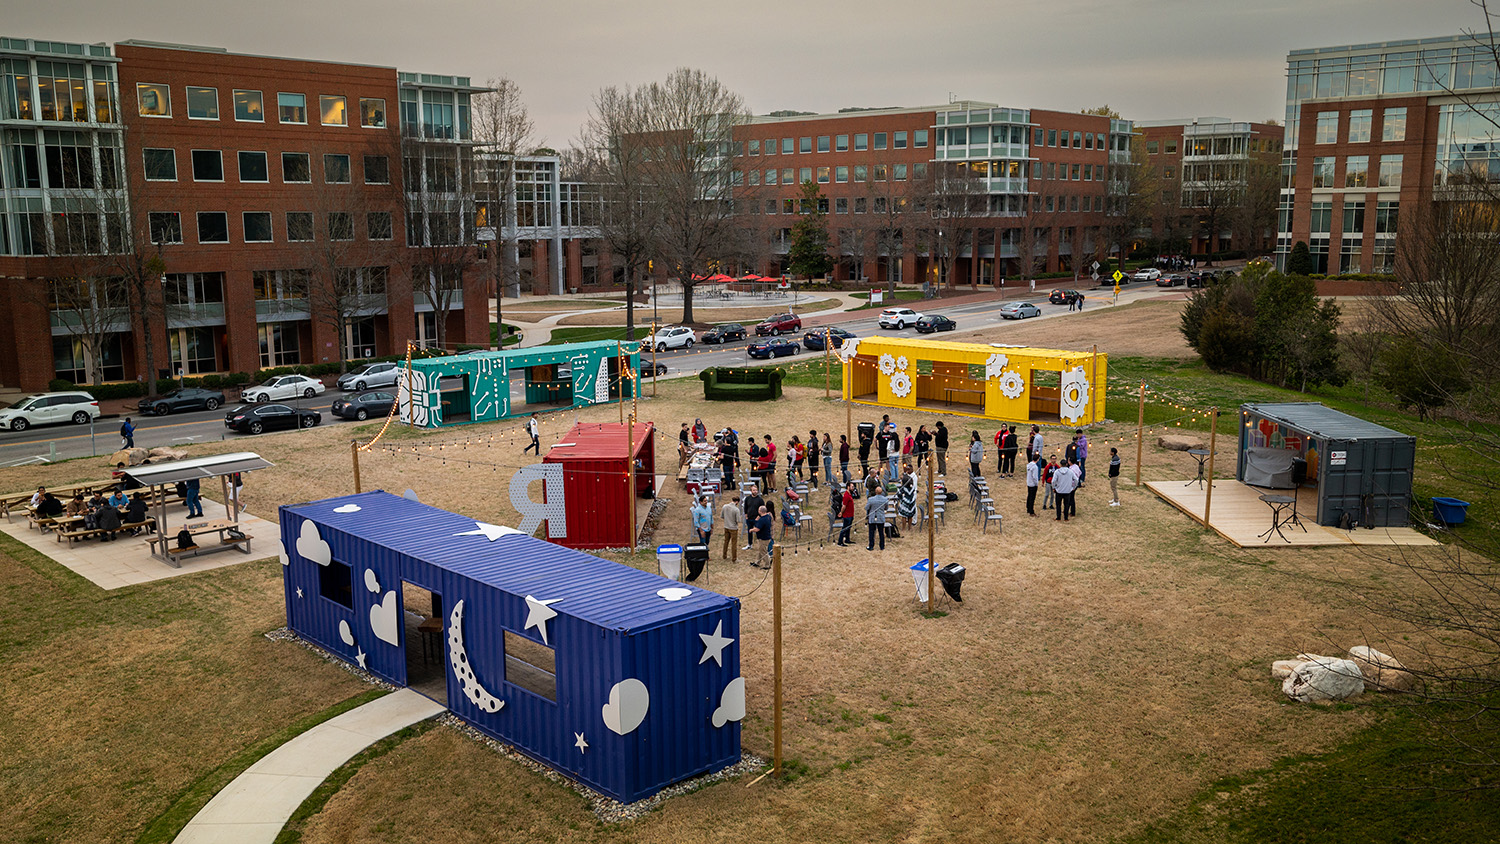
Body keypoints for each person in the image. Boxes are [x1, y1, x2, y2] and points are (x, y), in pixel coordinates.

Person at [1052, 457, 1079, 521]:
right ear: (1066, 464)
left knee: (1058, 505)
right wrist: (1074, 487)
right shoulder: (1070, 472)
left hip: (1059, 490)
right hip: (1067, 491)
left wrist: (1054, 487)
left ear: (1060, 464)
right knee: (1066, 505)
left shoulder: (1057, 472)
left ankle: (1058, 517)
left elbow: (1053, 481)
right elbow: (1076, 479)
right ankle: (1066, 518)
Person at [865, 485, 889, 551]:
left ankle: (871, 546)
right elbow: (886, 508)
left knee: (871, 532)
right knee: (881, 532)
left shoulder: (871, 499)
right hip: (881, 518)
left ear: (875, 492)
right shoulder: (885, 499)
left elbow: (866, 508)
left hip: (872, 518)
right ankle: (882, 546)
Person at [720, 494, 743, 562]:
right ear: (737, 502)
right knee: (734, 543)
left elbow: (722, 516)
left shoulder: (725, 506)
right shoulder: (736, 509)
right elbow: (738, 520)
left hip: (726, 526)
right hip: (733, 528)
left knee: (726, 541)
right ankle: (734, 558)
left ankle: (724, 555)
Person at [742, 486, 764, 550]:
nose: (755, 491)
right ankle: (749, 544)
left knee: (758, 532)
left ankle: (760, 545)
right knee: (749, 531)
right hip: (749, 518)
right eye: (754, 490)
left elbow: (763, 508)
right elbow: (745, 507)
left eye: (756, 490)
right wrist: (746, 515)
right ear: (751, 491)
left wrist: (759, 517)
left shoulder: (760, 499)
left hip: (756, 519)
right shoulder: (748, 498)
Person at [753, 505, 774, 569]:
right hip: (767, 536)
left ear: (760, 511)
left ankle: (767, 565)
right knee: (761, 550)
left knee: (763, 551)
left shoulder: (762, 519)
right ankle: (757, 562)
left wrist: (751, 530)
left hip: (763, 538)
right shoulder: (768, 517)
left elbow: (757, 529)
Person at [897, 463, 918, 529]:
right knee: (910, 515)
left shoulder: (914, 477)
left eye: (908, 470)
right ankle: (909, 527)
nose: (907, 471)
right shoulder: (911, 487)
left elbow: (899, 494)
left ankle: (905, 527)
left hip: (906, 502)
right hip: (911, 500)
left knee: (904, 515)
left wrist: (901, 499)